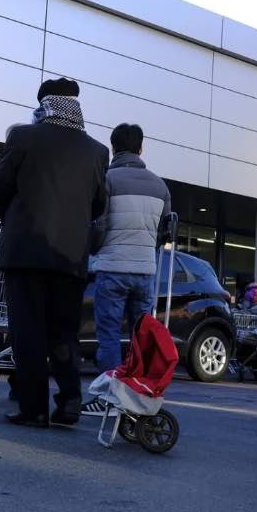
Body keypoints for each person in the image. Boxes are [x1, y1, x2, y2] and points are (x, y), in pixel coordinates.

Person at [0, 77, 108, 428]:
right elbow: (99, 205)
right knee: (64, 331)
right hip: (71, 256)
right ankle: (70, 400)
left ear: (44, 105)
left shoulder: (24, 138)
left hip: (25, 252)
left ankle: (34, 407)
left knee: (27, 331)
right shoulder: (97, 151)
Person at [83, 123, 172, 390]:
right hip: (145, 271)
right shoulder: (160, 186)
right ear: (141, 148)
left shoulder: (108, 180)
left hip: (112, 267)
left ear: (113, 148)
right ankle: (138, 389)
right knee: (140, 335)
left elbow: (98, 224)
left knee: (109, 334)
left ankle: (110, 393)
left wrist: (93, 249)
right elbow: (164, 232)